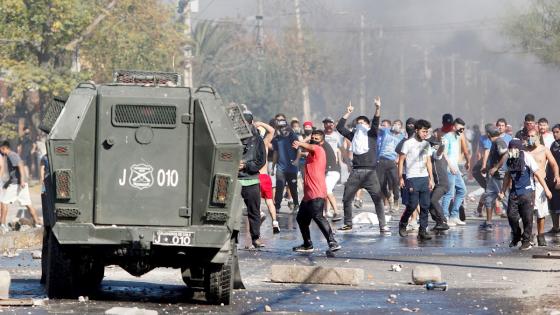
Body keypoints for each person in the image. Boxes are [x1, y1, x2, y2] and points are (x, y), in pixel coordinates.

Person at [336, 97, 388, 233]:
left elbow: (376, 122)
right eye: (358, 123)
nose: (360, 124)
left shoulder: (371, 134)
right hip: (356, 172)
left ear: (367, 125)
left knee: (377, 199)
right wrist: (348, 112)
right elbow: (340, 127)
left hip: (370, 172)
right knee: (346, 198)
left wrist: (377, 108)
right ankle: (348, 223)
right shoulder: (354, 136)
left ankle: (383, 225)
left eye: (363, 122)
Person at [292, 130, 341, 252]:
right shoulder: (310, 154)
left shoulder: (318, 149)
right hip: (308, 195)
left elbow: (309, 146)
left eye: (316, 138)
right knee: (301, 219)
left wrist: (301, 142)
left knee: (318, 216)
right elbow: (306, 149)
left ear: (322, 142)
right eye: (312, 137)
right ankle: (307, 245)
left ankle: (332, 242)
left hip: (317, 192)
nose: (313, 139)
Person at [499, 139, 551, 250]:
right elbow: (507, 176)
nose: (512, 150)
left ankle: (526, 241)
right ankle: (516, 235)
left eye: (514, 148)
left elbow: (537, 173)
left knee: (527, 218)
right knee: (511, 216)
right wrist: (502, 191)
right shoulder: (508, 159)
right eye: (510, 148)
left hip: (527, 192)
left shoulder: (526, 157)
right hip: (514, 192)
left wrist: (546, 189)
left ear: (519, 149)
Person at [397, 119, 434, 240]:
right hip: (411, 178)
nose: (425, 134)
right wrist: (400, 178)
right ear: (417, 130)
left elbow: (428, 161)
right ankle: (403, 223)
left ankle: (422, 231)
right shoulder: (408, 143)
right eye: (423, 131)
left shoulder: (427, 144)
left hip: (424, 178)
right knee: (412, 205)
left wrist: (431, 178)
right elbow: (401, 160)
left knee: (425, 205)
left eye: (427, 132)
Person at [525, 128, 560, 246]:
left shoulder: (544, 150)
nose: (530, 139)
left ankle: (541, 236)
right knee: (527, 212)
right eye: (528, 136)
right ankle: (528, 235)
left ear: (538, 136)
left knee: (541, 213)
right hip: (527, 185)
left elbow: (554, 164)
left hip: (540, 185)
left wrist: (557, 176)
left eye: (533, 136)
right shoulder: (524, 151)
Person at [238, 111, 267, 248]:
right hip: (234, 181)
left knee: (254, 211)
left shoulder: (257, 139)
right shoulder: (231, 136)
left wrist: (246, 165)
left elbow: (261, 161)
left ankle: (255, 238)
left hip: (251, 180)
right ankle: (232, 239)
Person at [0, 141, 41, 227]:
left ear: (4, 148)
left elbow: (21, 165)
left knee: (3, 202)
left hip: (17, 185)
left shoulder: (11, 155)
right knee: (28, 204)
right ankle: (37, 223)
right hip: (19, 184)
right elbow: (14, 173)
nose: (1, 152)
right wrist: (7, 183)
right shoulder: (10, 155)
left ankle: (2, 224)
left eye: (1, 150)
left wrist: (22, 180)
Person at [441, 118, 469, 226]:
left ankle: (454, 216)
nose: (462, 130)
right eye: (460, 128)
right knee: (449, 194)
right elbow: (444, 153)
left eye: (463, 128)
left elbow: (462, 151)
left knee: (462, 190)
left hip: (455, 169)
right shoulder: (447, 137)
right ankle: (445, 217)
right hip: (449, 169)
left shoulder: (457, 137)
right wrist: (450, 165)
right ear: (453, 126)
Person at [480, 126, 508, 230]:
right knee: (489, 197)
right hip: (493, 176)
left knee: (505, 199)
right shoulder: (495, 142)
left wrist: (496, 168)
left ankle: (516, 223)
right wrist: (487, 168)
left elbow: (505, 155)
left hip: (500, 176)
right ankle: (488, 222)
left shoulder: (499, 141)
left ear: (488, 134)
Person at [254, 120, 280, 234]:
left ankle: (259, 213)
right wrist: (261, 123)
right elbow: (272, 130)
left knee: (254, 200)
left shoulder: (250, 143)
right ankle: (275, 222)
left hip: (254, 176)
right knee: (269, 201)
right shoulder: (264, 143)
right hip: (265, 176)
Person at [271, 116, 300, 213]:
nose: (282, 129)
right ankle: (277, 206)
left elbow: (299, 148)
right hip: (281, 168)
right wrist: (273, 166)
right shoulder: (276, 139)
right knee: (279, 187)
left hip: (292, 167)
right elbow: (275, 153)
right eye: (280, 127)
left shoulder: (292, 136)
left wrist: (297, 160)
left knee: (293, 188)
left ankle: (296, 204)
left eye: (284, 127)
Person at [377, 120, 404, 212]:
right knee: (380, 183)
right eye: (394, 124)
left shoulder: (402, 136)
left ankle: (396, 199)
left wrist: (398, 158)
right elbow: (377, 126)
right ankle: (389, 196)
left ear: (401, 127)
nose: (396, 126)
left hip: (392, 161)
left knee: (395, 181)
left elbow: (404, 150)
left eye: (398, 124)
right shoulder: (386, 131)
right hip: (381, 159)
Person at [322, 117, 344, 221]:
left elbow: (341, 149)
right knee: (325, 189)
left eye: (330, 123)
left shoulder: (337, 136)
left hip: (332, 164)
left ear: (333, 124)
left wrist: (344, 162)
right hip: (321, 164)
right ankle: (326, 211)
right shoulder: (321, 135)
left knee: (328, 189)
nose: (328, 125)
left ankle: (334, 211)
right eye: (326, 123)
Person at [428, 130, 449, 231]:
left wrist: (443, 145)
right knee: (428, 203)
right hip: (436, 184)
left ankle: (443, 220)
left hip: (442, 184)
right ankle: (438, 222)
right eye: (432, 145)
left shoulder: (436, 154)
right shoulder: (429, 155)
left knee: (433, 200)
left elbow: (439, 151)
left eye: (435, 145)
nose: (434, 146)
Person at [546, 124, 560, 234]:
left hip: (559, 178)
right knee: (553, 204)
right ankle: (555, 227)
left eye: (557, 132)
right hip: (552, 178)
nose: (555, 134)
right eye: (554, 132)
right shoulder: (553, 145)